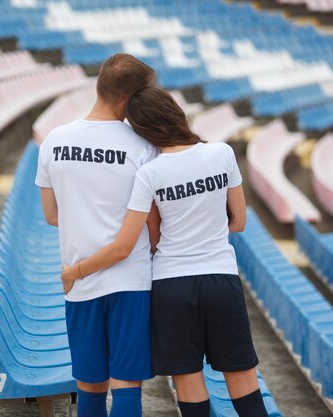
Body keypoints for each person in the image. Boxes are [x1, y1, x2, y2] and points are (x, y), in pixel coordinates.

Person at [62, 87, 269, 417]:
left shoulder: (150, 173)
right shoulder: (222, 153)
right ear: (176, 112)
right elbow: (239, 221)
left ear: (142, 130)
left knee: (188, 381)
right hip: (221, 278)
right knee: (242, 379)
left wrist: (75, 271)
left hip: (172, 285)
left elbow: (152, 239)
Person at [36, 53, 160, 417]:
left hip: (79, 281)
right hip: (131, 282)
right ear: (131, 99)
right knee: (126, 383)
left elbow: (52, 215)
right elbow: (153, 229)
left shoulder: (54, 141)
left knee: (89, 385)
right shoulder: (142, 147)